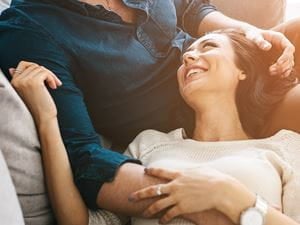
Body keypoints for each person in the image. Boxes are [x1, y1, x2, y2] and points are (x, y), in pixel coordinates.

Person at [0, 0, 298, 223]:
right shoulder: (146, 147)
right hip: (170, 122)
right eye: (194, 49)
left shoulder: (283, 148)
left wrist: (249, 32)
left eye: (204, 47)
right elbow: (83, 169)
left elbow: (191, 7)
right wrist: (47, 119)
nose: (189, 54)